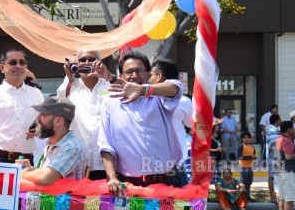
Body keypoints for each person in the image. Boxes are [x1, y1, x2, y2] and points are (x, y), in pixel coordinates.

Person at [97, 51, 184, 194]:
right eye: (129, 72)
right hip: (129, 185)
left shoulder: (159, 97)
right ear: (121, 75)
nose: (134, 76)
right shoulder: (110, 102)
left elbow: (176, 87)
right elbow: (106, 144)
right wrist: (112, 178)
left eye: (139, 71)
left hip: (168, 181)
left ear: (148, 74)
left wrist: (144, 90)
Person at [0, 47, 43, 164]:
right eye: (13, 62)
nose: (18, 66)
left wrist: (39, 131)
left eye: (22, 62)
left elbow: (46, 125)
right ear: (2, 67)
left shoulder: (36, 94)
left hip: (26, 161)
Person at [58, 47, 114, 181]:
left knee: (107, 201)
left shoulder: (110, 85)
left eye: (91, 59)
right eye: (82, 60)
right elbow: (61, 100)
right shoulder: (71, 87)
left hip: (108, 162)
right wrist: (70, 78)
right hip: (78, 162)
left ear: (99, 62)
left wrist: (107, 75)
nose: (86, 62)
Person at [20, 96, 87, 185]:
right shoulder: (50, 145)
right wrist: (30, 169)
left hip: (65, 199)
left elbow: (46, 178)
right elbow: (44, 176)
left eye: (43, 114)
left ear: (59, 121)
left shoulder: (72, 146)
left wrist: (21, 173)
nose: (37, 118)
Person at [152, 59, 192, 184]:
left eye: (150, 76)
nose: (148, 79)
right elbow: (191, 124)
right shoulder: (184, 101)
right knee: (180, 202)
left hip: (152, 161)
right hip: (175, 161)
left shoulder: (147, 99)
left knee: (153, 202)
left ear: (159, 76)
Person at [265, 113, 282, 204]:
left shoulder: (273, 130)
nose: (281, 120)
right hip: (273, 157)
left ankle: (274, 197)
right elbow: (275, 146)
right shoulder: (272, 131)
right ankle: (273, 197)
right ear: (276, 120)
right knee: (272, 177)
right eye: (280, 119)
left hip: (272, 157)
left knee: (273, 177)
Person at [237, 131, 256, 199]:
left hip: (250, 167)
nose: (246, 139)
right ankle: (242, 197)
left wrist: (254, 157)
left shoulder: (252, 147)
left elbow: (254, 155)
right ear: (242, 139)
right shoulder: (241, 146)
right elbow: (239, 157)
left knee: (249, 182)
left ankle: (247, 196)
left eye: (248, 137)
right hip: (243, 167)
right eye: (244, 138)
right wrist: (250, 157)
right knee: (243, 182)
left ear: (250, 139)